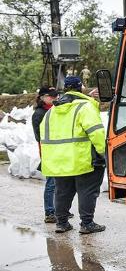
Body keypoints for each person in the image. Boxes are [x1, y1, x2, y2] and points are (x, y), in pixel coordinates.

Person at [39, 76, 106, 234]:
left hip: (58, 161)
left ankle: (62, 223)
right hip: (83, 159)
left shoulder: (52, 111)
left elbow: (44, 137)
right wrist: (103, 154)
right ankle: (87, 223)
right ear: (81, 87)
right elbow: (96, 133)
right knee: (87, 191)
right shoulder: (85, 107)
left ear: (65, 89)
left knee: (62, 192)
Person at [32, 86, 59, 223]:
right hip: (48, 152)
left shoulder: (54, 110)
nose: (54, 98)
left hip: (59, 151)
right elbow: (39, 137)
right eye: (51, 96)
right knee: (51, 183)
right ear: (42, 97)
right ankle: (49, 212)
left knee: (60, 183)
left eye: (55, 95)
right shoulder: (39, 114)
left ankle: (59, 210)